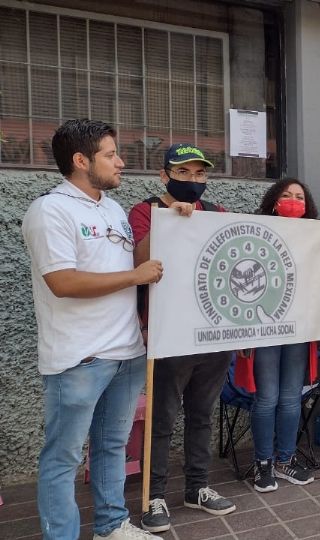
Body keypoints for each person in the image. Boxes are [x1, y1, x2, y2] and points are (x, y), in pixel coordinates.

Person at [22, 119, 163, 539]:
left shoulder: (112, 208)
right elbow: (63, 282)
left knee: (111, 447)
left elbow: (130, 262)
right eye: (110, 154)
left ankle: (111, 525)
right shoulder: (50, 210)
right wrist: (136, 277)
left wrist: (169, 225)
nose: (120, 162)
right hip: (79, 358)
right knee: (63, 458)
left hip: (125, 353)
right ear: (81, 161)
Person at [129, 144, 236, 532]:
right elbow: (138, 262)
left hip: (212, 336)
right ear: (164, 176)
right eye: (184, 172)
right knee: (162, 418)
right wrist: (166, 222)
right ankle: (154, 495)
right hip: (169, 334)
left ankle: (197, 487)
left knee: (202, 415)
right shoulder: (144, 211)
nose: (193, 181)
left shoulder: (217, 214)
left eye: (200, 174)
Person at [244, 178, 320, 492]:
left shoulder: (315, 235)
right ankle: (263, 464)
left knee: (290, 398)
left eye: (299, 196)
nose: (293, 200)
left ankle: (284, 459)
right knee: (267, 398)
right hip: (265, 329)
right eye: (286, 195)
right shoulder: (255, 231)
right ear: (274, 201)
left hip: (298, 329)